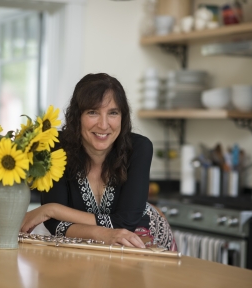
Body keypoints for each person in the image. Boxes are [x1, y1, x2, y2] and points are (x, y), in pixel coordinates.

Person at [21, 73, 176, 250]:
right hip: (88, 248)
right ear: (77, 116)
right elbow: (55, 225)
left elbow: (125, 224)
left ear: (122, 117)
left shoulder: (139, 148)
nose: (103, 125)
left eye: (113, 113)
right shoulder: (55, 146)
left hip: (144, 241)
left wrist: (51, 209)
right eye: (93, 112)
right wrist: (104, 235)